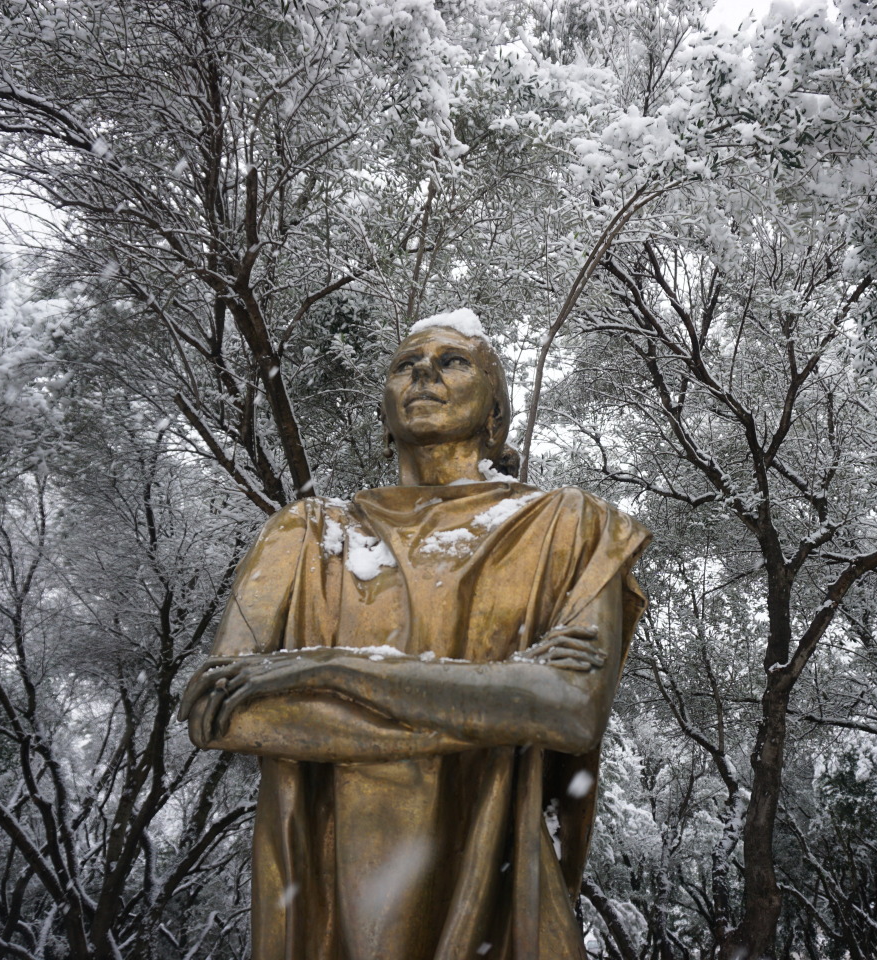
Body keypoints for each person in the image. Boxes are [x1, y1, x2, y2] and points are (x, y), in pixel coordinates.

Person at [179, 309, 650, 960]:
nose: (424, 369)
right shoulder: (308, 533)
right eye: (406, 363)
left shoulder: (571, 525)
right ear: (384, 413)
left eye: (453, 360)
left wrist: (323, 671)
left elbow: (571, 711)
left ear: (496, 414)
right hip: (328, 897)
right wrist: (507, 698)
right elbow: (219, 713)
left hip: (502, 900)